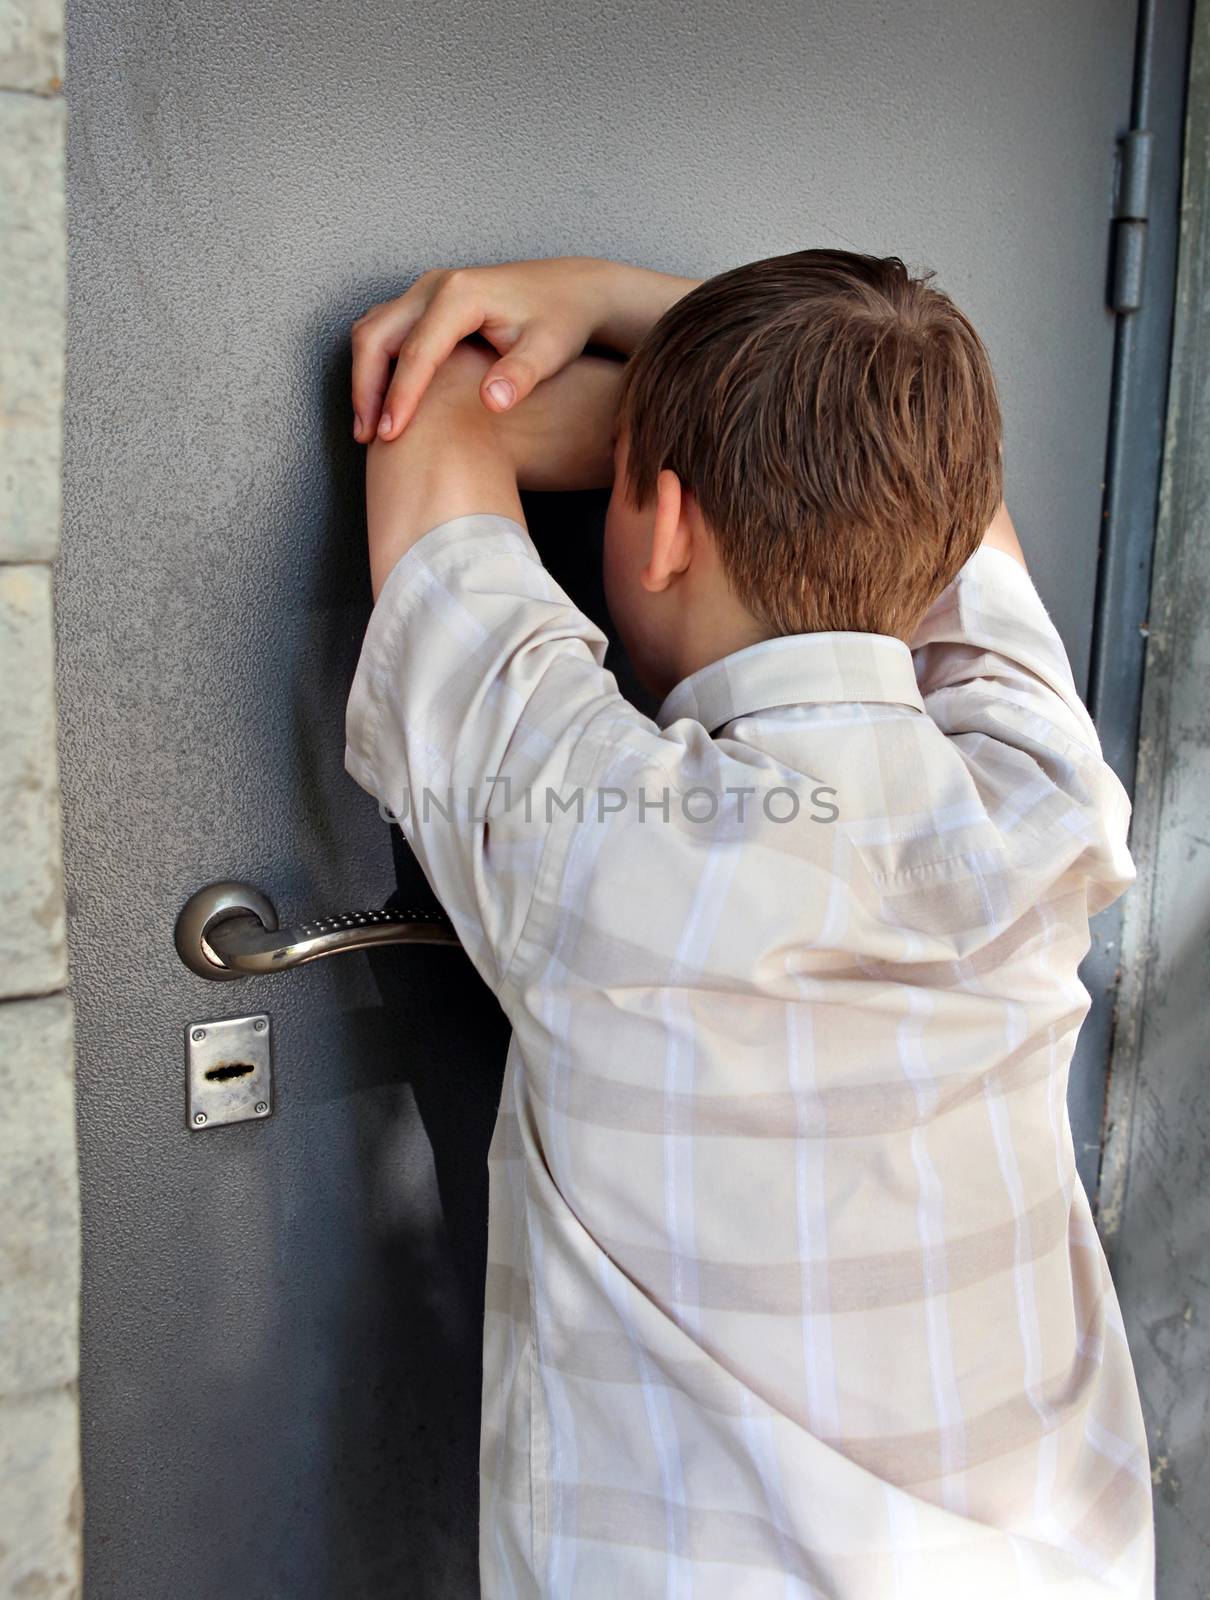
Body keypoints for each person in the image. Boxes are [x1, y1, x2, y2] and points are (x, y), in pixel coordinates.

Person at [344, 254, 1153, 1596]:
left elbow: (439, 422)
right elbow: (951, 504)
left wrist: (622, 355)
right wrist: (667, 370)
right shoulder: (1047, 798)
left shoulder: (591, 834)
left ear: (659, 526)